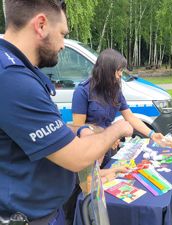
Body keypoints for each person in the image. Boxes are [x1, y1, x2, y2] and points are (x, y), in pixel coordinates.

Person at [0, 1, 133, 224]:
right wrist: (117, 129)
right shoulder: (12, 79)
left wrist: (81, 129)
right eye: (62, 33)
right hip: (30, 217)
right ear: (41, 25)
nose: (63, 44)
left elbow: (39, 132)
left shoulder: (17, 71)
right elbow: (77, 158)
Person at [72, 48, 165, 167]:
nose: (121, 74)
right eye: (118, 70)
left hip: (110, 147)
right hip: (91, 149)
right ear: (106, 70)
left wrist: (152, 134)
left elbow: (130, 117)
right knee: (94, 182)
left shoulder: (114, 90)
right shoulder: (82, 91)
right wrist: (108, 136)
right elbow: (79, 128)